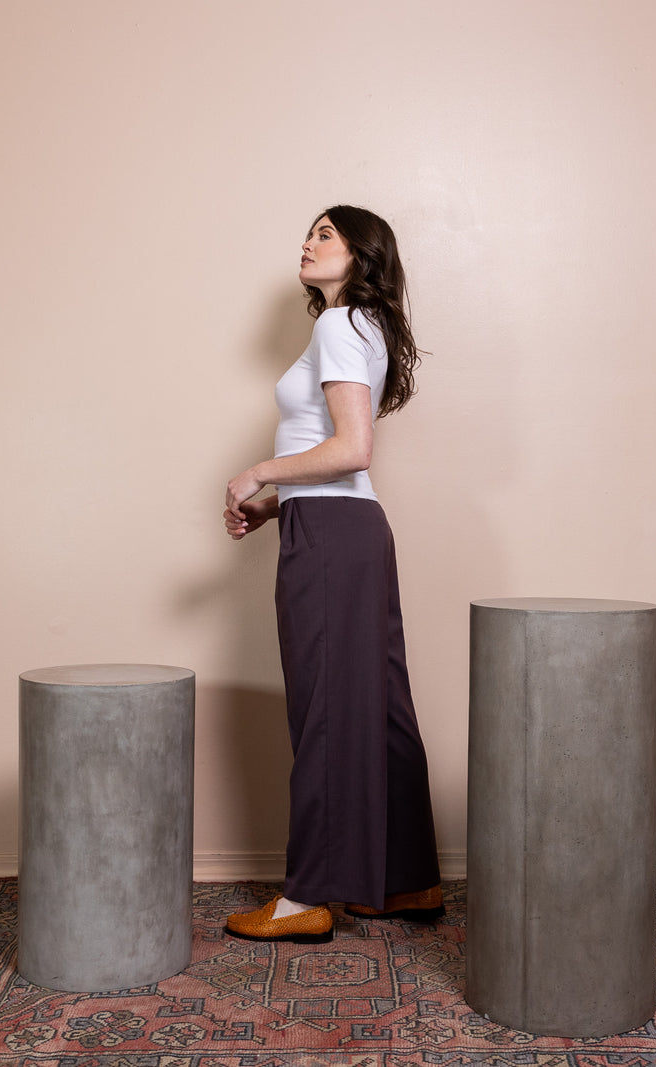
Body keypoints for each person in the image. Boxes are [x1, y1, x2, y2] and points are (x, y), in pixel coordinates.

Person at [223, 205, 442, 943]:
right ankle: (407, 880)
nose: (308, 243)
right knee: (380, 706)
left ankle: (307, 896)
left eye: (325, 233)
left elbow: (351, 448)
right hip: (350, 529)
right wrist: (278, 506)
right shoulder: (362, 325)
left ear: (360, 252)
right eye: (308, 232)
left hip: (333, 536)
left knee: (324, 709)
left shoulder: (337, 324)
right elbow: (337, 462)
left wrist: (259, 470)